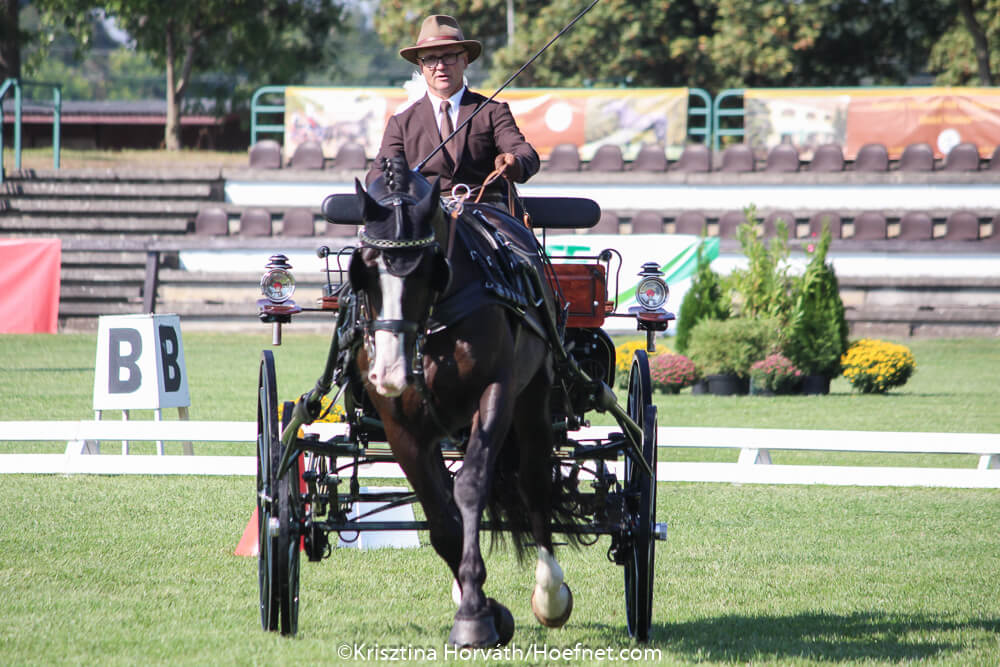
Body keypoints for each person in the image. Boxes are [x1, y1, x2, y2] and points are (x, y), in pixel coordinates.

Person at [366, 14, 539, 206]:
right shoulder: (401, 123)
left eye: (449, 56)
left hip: (485, 212)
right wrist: (390, 186)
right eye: (430, 59)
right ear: (421, 66)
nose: (440, 66)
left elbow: (525, 153)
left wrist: (515, 162)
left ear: (465, 60)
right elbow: (378, 174)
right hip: (427, 219)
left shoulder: (492, 112)